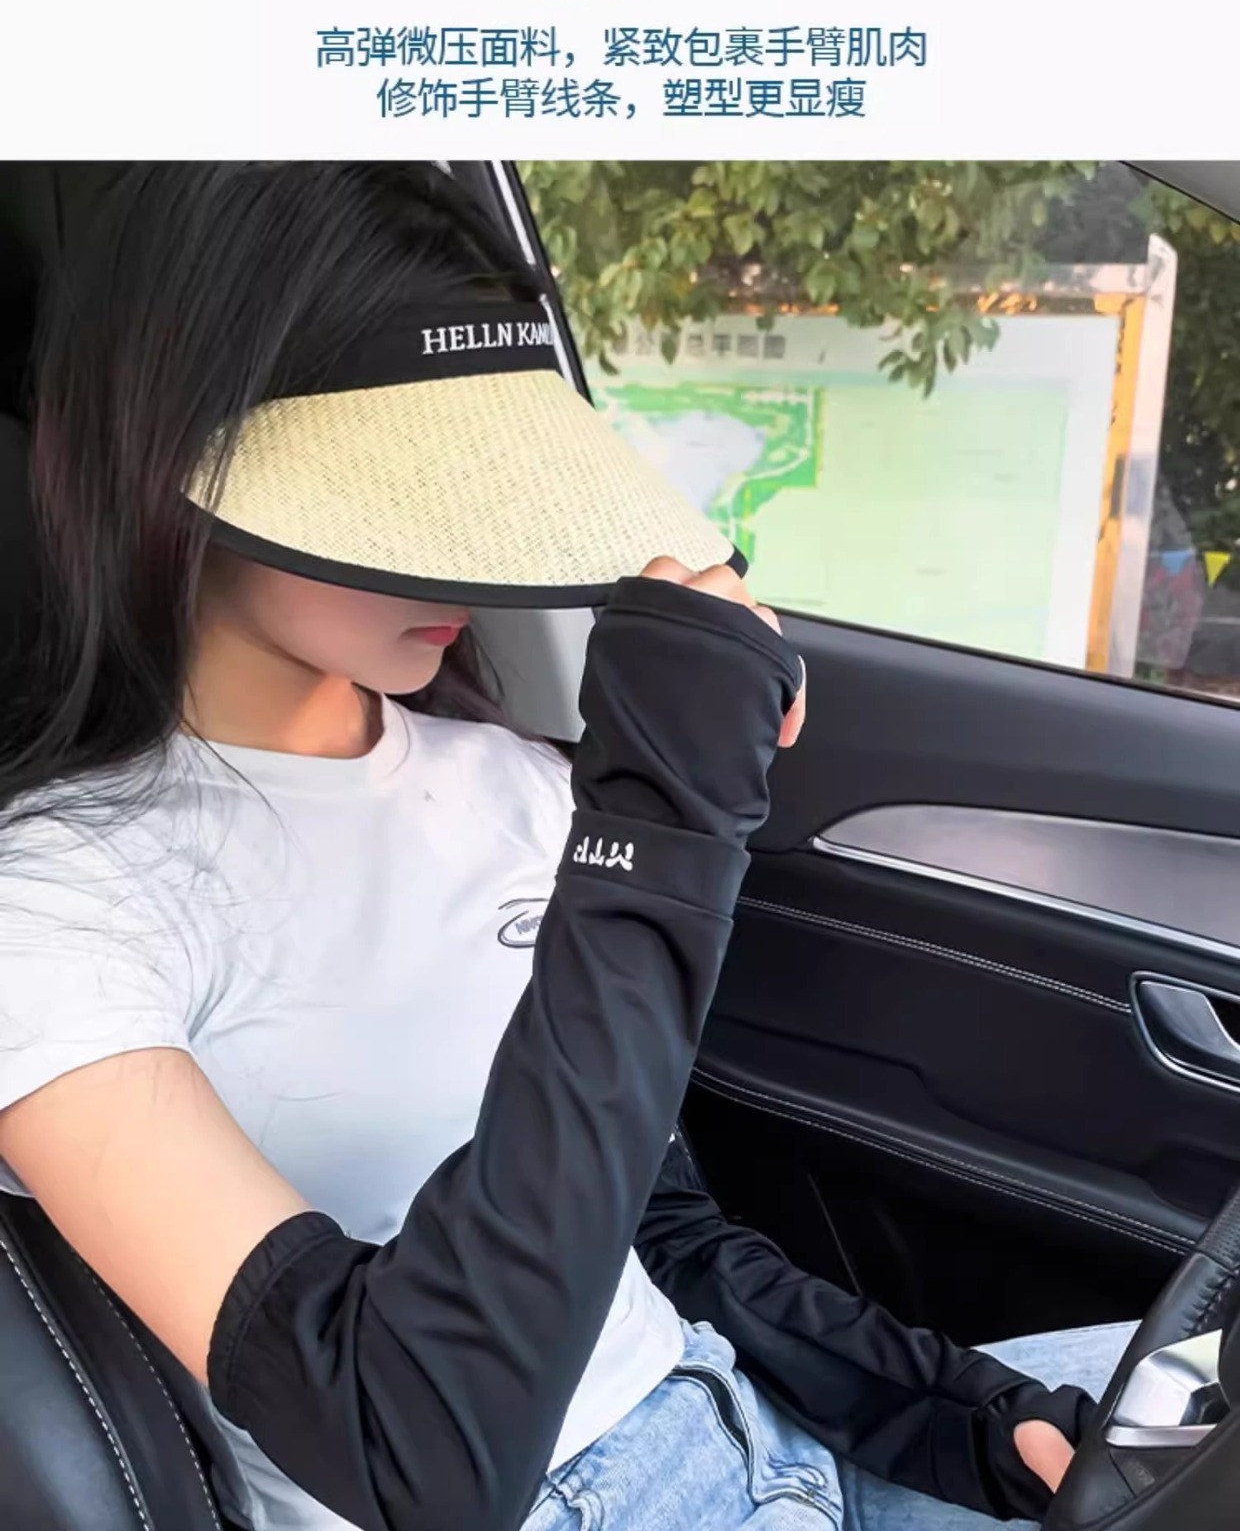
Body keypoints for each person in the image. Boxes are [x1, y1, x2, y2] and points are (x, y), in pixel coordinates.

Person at [0, 161, 1132, 1531]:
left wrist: (944, 1415)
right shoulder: (58, 903)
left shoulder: (519, 788)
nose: (470, 548)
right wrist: (658, 829)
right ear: (177, 462)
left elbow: (657, 1236)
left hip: (759, 1433)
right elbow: (411, 1448)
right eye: (402, 485)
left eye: (491, 477)